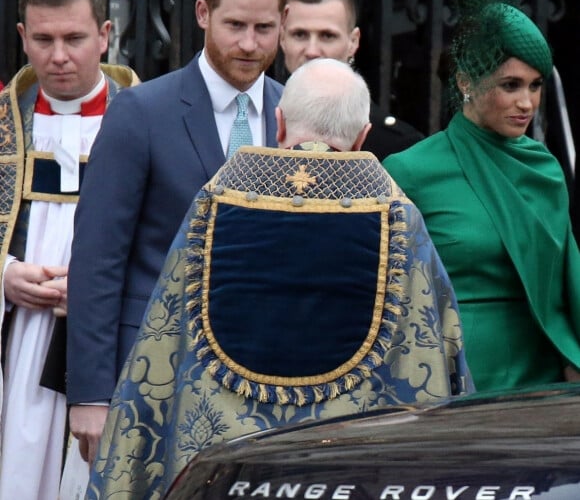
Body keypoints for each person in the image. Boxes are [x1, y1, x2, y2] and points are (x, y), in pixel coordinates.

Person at [86, 58, 473, 498]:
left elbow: (162, 342)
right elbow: (438, 342)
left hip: (228, 468)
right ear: (364, 137)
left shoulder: (215, 205)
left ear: (279, 122)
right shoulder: (398, 219)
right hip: (351, 467)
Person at [66, 0, 294, 467]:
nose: (248, 43)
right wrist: (91, 395)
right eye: (234, 25)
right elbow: (98, 259)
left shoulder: (291, 110)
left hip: (261, 381)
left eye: (263, 29)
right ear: (202, 13)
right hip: (150, 374)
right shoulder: (141, 111)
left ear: (283, 21)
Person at [384, 0, 580, 392]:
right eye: (511, 85)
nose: (526, 103)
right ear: (466, 82)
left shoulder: (545, 170)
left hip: (542, 379)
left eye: (535, 85)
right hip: (451, 375)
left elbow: (565, 283)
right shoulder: (409, 170)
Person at [0, 0, 139, 499]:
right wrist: (5, 275)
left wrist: (102, 291)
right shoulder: (7, 121)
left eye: (75, 38)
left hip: (110, 346)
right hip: (16, 342)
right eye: (43, 39)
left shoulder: (146, 118)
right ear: (22, 36)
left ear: (105, 35)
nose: (58, 57)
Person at [279, 0, 424, 159]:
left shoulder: (396, 145)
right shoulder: (258, 120)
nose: (312, 51)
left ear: (353, 41)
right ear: (282, 38)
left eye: (327, 36)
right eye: (300, 35)